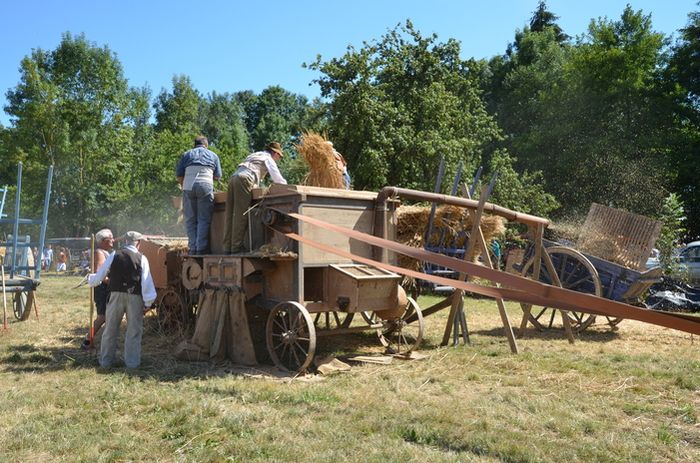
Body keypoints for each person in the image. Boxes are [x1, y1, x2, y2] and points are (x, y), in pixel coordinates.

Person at [87, 231, 156, 368]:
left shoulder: (114, 255)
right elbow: (146, 282)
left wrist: (91, 280)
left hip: (115, 295)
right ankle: (132, 363)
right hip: (134, 296)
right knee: (134, 331)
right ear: (138, 243)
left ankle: (105, 362)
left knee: (110, 329)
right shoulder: (142, 258)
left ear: (125, 241)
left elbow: (101, 274)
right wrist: (148, 302)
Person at [223, 142, 287, 254]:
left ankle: (227, 248)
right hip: (244, 179)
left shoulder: (255, 155)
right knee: (241, 214)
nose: (279, 158)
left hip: (233, 178)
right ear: (274, 152)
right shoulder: (268, 158)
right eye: (279, 156)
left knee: (230, 214)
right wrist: (287, 188)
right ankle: (236, 248)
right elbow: (277, 178)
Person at [175, 135, 222, 255]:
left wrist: (183, 186)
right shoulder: (213, 155)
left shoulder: (187, 154)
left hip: (188, 186)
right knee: (203, 219)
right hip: (205, 185)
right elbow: (217, 176)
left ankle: (192, 248)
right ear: (206, 145)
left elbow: (179, 175)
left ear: (195, 144)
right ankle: (201, 249)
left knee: (190, 219)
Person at [81, 228, 114, 350]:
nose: (113, 241)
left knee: (105, 316)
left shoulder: (105, 252)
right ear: (104, 241)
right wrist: (113, 282)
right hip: (102, 288)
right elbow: (100, 274)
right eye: (110, 239)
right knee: (102, 316)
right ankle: (87, 341)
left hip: (104, 288)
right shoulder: (100, 253)